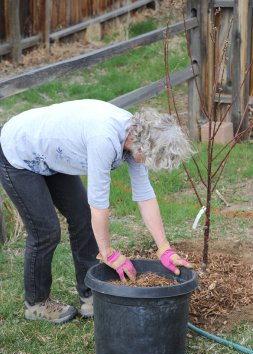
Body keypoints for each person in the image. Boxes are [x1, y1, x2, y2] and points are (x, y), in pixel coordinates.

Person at [0, 99, 193, 324]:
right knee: (46, 231)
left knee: (81, 218)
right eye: (150, 159)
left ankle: (89, 292)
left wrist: (164, 248)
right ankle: (36, 303)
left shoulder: (136, 135)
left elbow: (145, 195)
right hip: (20, 150)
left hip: (53, 155)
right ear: (143, 146)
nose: (148, 164)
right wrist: (108, 253)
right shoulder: (105, 140)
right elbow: (99, 205)